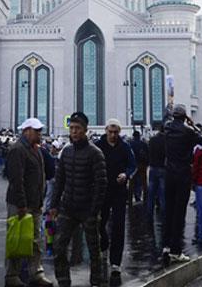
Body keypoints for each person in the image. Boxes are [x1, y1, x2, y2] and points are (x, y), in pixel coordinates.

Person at [50, 111, 107, 287]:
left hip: (87, 209)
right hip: (68, 208)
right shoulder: (66, 152)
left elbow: (101, 184)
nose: (73, 131)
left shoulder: (95, 153)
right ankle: (63, 281)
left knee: (93, 249)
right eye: (72, 128)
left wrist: (94, 209)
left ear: (85, 130)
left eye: (77, 128)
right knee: (59, 247)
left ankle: (96, 281)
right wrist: (54, 205)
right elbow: (59, 181)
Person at [4, 118, 53, 287]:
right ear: (27, 131)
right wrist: (21, 204)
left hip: (34, 203)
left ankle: (36, 273)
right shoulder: (18, 149)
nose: (40, 134)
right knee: (17, 240)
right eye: (37, 131)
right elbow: (16, 180)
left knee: (35, 241)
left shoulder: (35, 149)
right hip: (21, 204)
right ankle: (12, 275)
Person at [162, 104, 202, 264]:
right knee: (180, 212)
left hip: (169, 173)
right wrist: (192, 124)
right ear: (185, 116)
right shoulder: (188, 131)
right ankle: (176, 250)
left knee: (169, 210)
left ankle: (166, 245)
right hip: (183, 173)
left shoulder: (167, 129)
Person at [98, 118, 136, 277]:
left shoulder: (125, 147)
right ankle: (104, 244)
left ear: (119, 132)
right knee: (100, 223)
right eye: (110, 132)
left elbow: (132, 165)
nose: (113, 135)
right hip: (102, 191)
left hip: (119, 191)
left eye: (115, 132)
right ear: (106, 130)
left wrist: (126, 175)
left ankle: (115, 262)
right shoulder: (99, 146)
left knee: (119, 226)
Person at [147, 121, 166, 221]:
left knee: (151, 192)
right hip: (163, 168)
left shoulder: (152, 140)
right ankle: (163, 215)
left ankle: (149, 214)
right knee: (163, 193)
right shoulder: (166, 140)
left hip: (153, 167)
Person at [129, 130, 149, 204]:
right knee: (144, 183)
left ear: (133, 136)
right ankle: (146, 199)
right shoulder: (144, 144)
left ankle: (130, 199)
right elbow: (148, 154)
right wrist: (147, 164)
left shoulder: (130, 144)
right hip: (142, 165)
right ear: (139, 136)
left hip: (133, 166)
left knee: (132, 183)